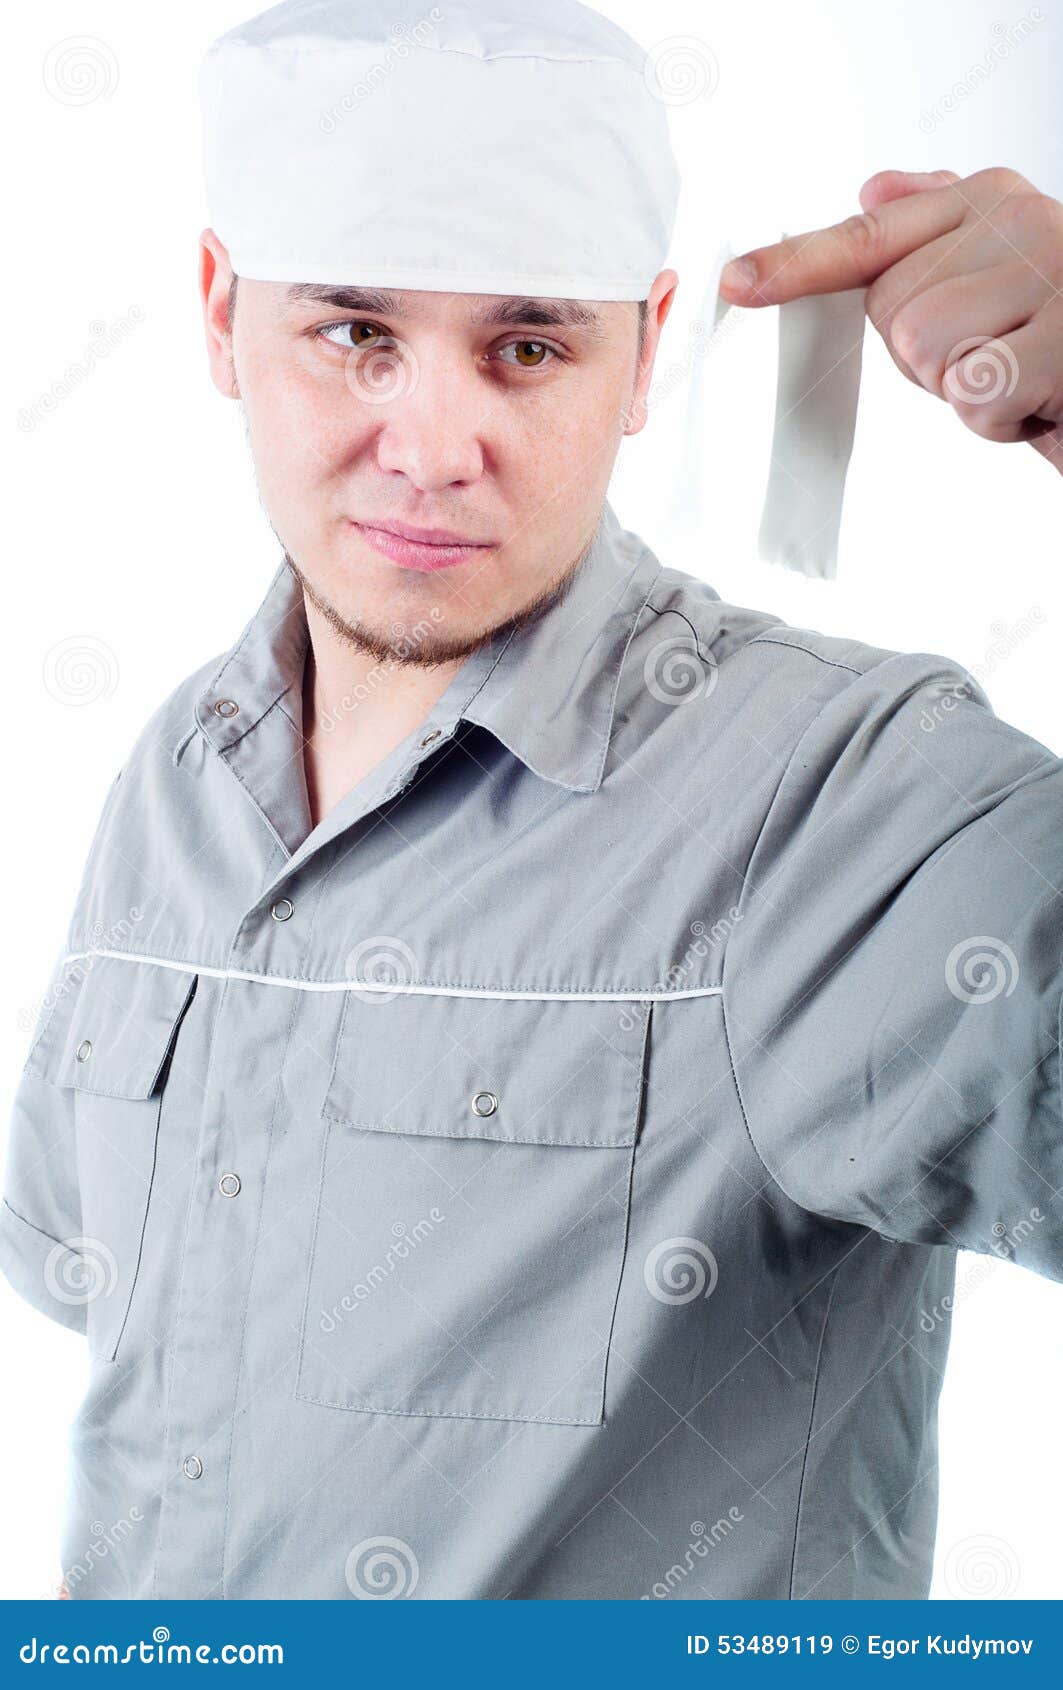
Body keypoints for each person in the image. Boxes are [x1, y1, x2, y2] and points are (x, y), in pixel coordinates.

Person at [5, 0, 1062, 1602]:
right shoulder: (183, 769)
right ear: (222, 314)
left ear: (642, 349)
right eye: (355, 332)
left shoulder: (836, 803)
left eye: (527, 345)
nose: (431, 449)